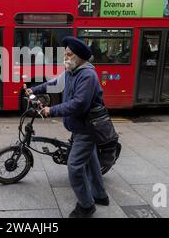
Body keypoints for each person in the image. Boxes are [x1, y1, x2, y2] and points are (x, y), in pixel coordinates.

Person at [24, 36, 108, 218]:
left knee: (75, 167)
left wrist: (51, 110)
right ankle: (100, 195)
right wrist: (35, 90)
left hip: (87, 128)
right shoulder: (71, 72)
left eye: (69, 55)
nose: (66, 57)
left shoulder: (87, 75)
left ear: (79, 57)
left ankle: (86, 206)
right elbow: (54, 83)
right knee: (92, 160)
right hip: (80, 127)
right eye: (65, 54)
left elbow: (79, 104)